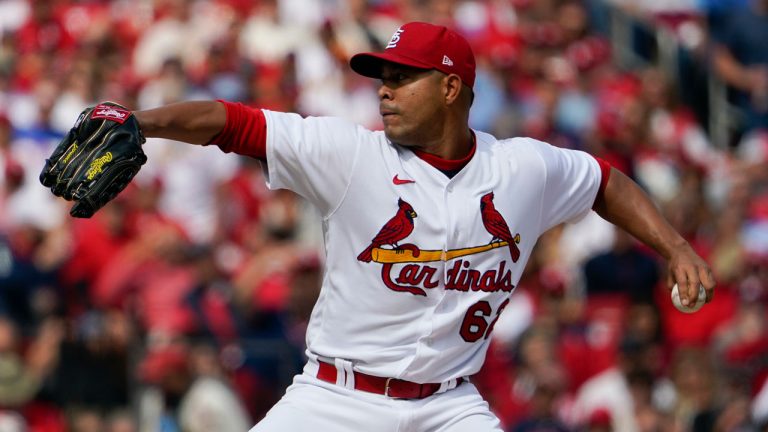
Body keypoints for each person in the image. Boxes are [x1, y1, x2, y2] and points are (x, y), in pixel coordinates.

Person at [107, 21, 714, 431]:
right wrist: (141, 122)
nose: (384, 91)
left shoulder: (522, 168)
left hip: (449, 405)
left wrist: (677, 246)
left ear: (451, 87)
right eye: (383, 78)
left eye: (402, 77)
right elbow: (232, 120)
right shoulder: (351, 156)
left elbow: (605, 182)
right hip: (335, 399)